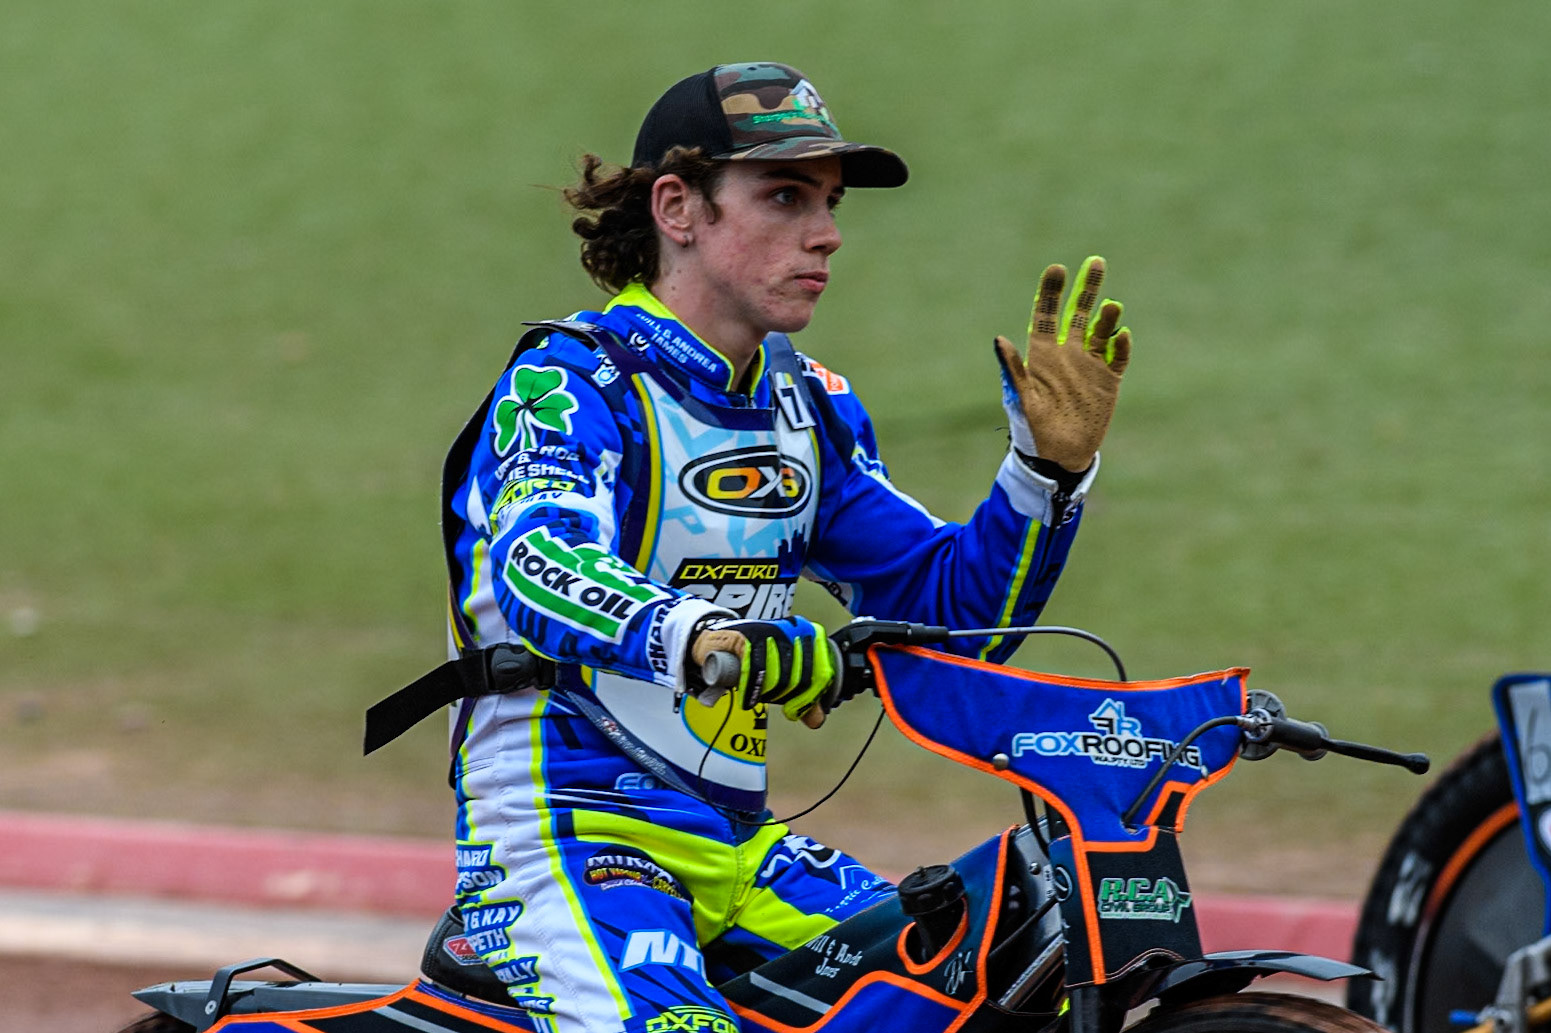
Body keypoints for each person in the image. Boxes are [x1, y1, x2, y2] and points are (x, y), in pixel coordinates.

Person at [438, 62, 1132, 1033]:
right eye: (784, 196)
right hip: (564, 835)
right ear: (678, 209)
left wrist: (1044, 475)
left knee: (992, 989)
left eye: (830, 202)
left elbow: (949, 618)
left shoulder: (802, 405)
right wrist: (706, 638)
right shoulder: (572, 382)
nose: (827, 233)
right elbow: (537, 569)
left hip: (738, 843)